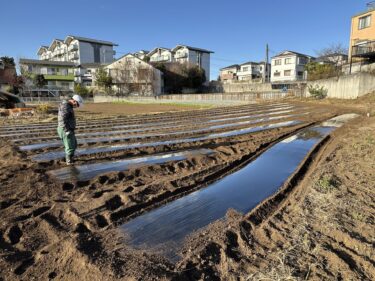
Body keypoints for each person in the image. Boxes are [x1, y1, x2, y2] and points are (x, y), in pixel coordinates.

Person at [57, 95, 84, 165]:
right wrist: (66, 130)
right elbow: (62, 119)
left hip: (69, 129)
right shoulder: (65, 106)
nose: (77, 106)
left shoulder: (68, 106)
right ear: (74, 101)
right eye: (77, 104)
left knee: (74, 144)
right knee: (70, 146)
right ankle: (69, 161)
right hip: (65, 129)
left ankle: (70, 158)